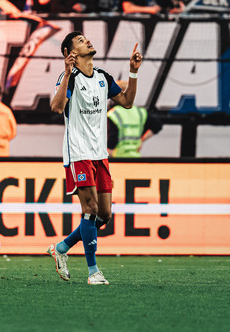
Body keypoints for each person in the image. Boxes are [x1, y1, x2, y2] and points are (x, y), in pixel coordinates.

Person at [47, 32, 143, 285]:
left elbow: (127, 101)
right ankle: (93, 272)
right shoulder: (69, 77)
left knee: (104, 215)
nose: (87, 41)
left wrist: (133, 72)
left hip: (100, 154)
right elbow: (57, 108)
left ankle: (60, 248)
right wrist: (67, 74)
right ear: (71, 53)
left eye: (85, 39)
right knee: (89, 211)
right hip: (78, 152)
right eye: (80, 41)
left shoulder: (102, 76)